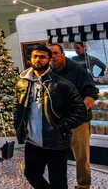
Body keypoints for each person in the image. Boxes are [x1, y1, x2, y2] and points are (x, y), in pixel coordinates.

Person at [14, 44, 86, 189]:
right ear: (30, 59)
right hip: (33, 141)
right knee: (31, 175)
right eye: (35, 56)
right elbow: (18, 105)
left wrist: (62, 126)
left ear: (49, 59)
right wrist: (19, 124)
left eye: (42, 57)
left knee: (58, 181)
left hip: (56, 142)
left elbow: (80, 110)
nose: (38, 60)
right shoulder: (22, 82)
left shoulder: (62, 84)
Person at [50, 44, 98, 189]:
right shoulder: (50, 73)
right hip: (59, 122)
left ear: (63, 54)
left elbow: (91, 92)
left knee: (81, 157)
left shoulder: (78, 70)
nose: (53, 57)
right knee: (57, 156)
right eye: (50, 54)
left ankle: (83, 186)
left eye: (55, 53)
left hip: (79, 122)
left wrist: (80, 111)